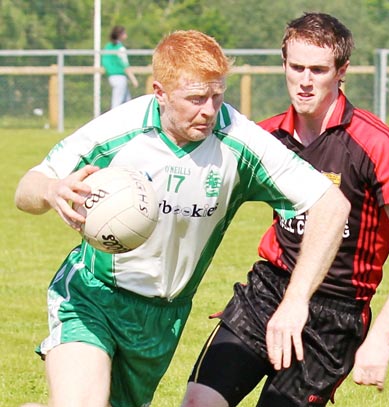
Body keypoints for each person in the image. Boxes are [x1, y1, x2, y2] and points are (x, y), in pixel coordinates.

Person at [15, 29, 350, 407]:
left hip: (163, 316)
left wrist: (296, 300)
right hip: (92, 297)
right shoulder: (120, 131)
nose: (208, 110)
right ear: (159, 92)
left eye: (217, 95)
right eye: (194, 99)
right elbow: (27, 187)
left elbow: (332, 205)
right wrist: (50, 190)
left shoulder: (239, 140)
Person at [182, 13, 389, 407]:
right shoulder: (266, 137)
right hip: (268, 291)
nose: (305, 80)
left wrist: (381, 338)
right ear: (283, 64)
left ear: (342, 71)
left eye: (318, 70)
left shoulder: (374, 143)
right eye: (296, 66)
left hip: (335, 313)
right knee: (200, 402)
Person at [102, 25, 139, 109]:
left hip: (111, 76)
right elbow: (125, 65)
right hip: (120, 77)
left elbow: (104, 62)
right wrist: (133, 79)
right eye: (124, 33)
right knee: (117, 103)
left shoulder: (108, 47)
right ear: (119, 35)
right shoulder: (120, 48)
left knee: (127, 101)